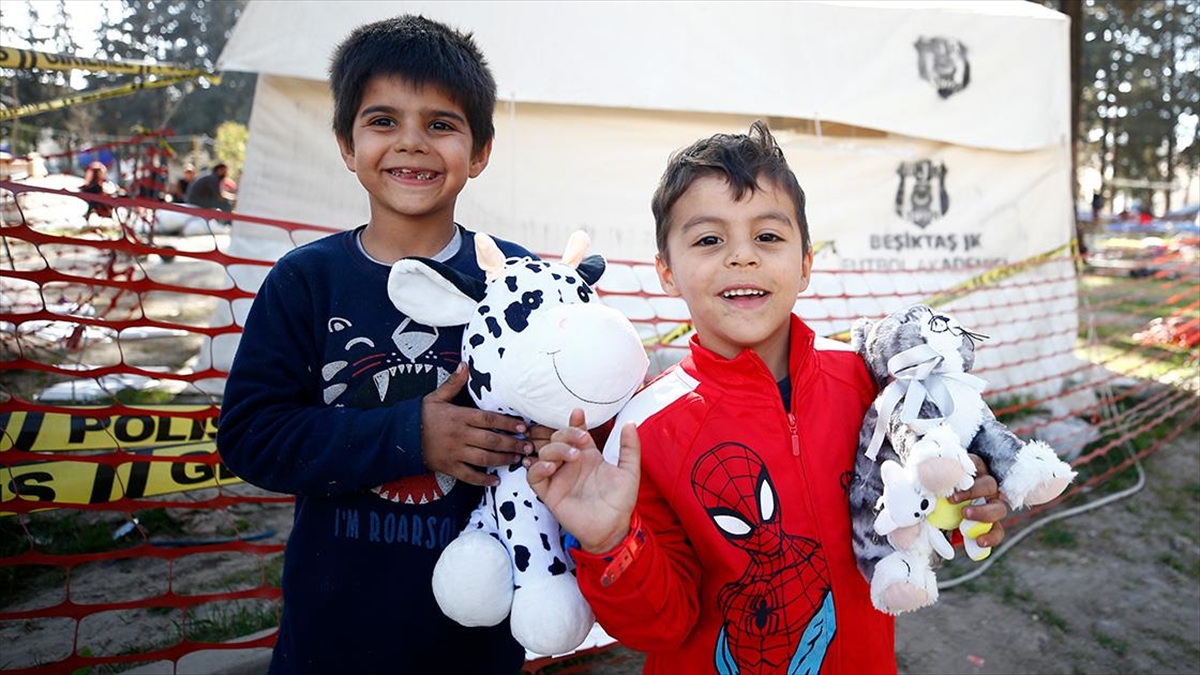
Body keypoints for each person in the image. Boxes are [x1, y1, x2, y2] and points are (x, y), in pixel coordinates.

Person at [527, 121, 1009, 674]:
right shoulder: (642, 431)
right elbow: (659, 627)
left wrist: (955, 509)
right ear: (666, 271)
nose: (742, 257)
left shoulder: (869, 383)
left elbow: (905, 517)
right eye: (709, 239)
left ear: (806, 264)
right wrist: (613, 541)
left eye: (768, 236)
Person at [216, 15, 539, 674]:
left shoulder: (517, 280)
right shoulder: (306, 282)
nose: (412, 144)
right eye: (384, 121)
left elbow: (559, 413)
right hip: (333, 636)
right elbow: (251, 434)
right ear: (346, 142)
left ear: (479, 151)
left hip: (475, 642)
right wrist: (408, 435)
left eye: (441, 124)